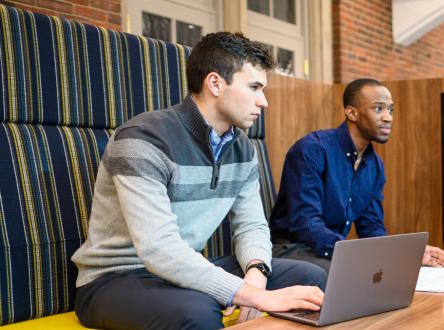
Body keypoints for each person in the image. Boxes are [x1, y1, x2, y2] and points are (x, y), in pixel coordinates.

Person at [70, 32, 327, 329]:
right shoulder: (142, 139)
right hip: (115, 280)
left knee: (311, 280)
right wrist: (256, 297)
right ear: (215, 83)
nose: (264, 101)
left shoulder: (243, 148)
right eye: (255, 87)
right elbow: (158, 248)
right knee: (199, 311)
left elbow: (252, 225)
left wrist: (256, 273)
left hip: (181, 270)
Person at [270, 78, 444, 272]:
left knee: (391, 270)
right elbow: (307, 225)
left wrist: (403, 254)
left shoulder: (375, 166)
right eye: (378, 109)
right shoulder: (313, 149)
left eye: (391, 110)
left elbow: (371, 226)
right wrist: (357, 254)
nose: (388, 117)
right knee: (357, 274)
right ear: (352, 113)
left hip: (331, 252)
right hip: (289, 248)